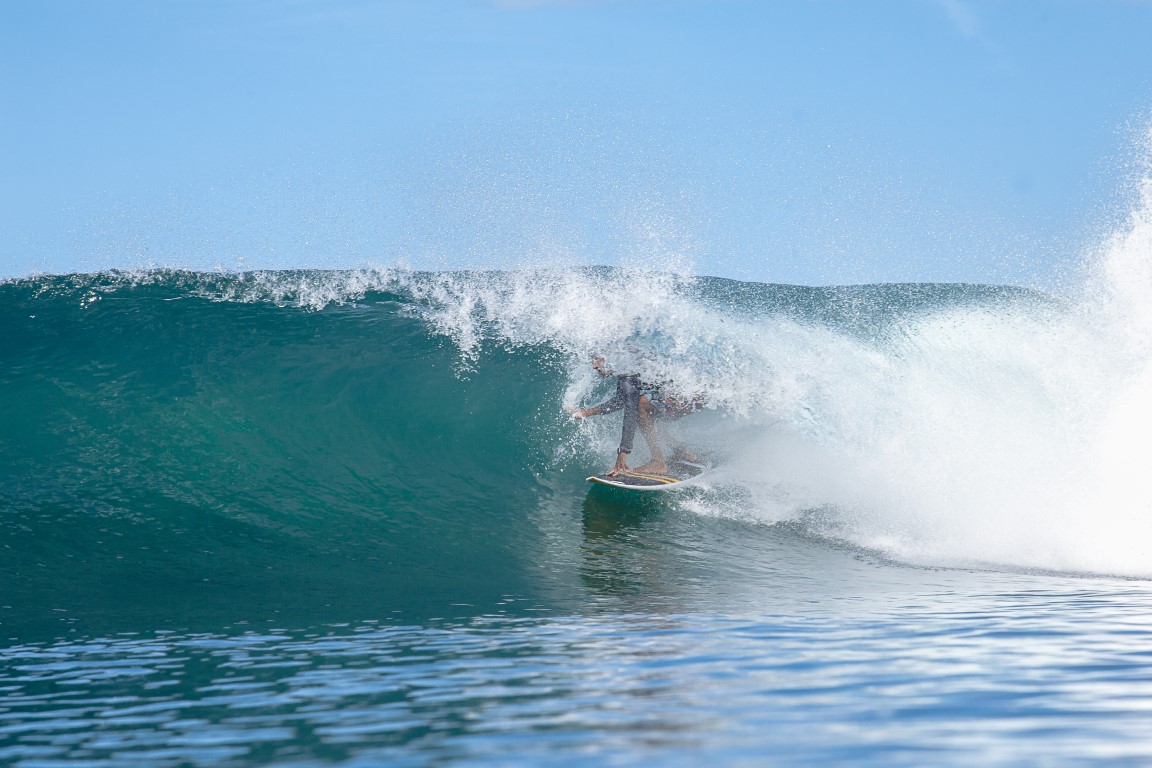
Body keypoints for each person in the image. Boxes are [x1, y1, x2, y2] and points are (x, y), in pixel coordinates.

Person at [565, 356, 703, 476]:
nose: (594, 366)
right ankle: (681, 451)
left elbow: (631, 406)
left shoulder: (627, 369)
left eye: (597, 361)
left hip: (690, 396)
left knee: (642, 405)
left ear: (606, 358)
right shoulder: (627, 359)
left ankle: (658, 462)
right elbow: (622, 400)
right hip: (699, 390)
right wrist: (586, 412)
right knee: (650, 416)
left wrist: (623, 452)